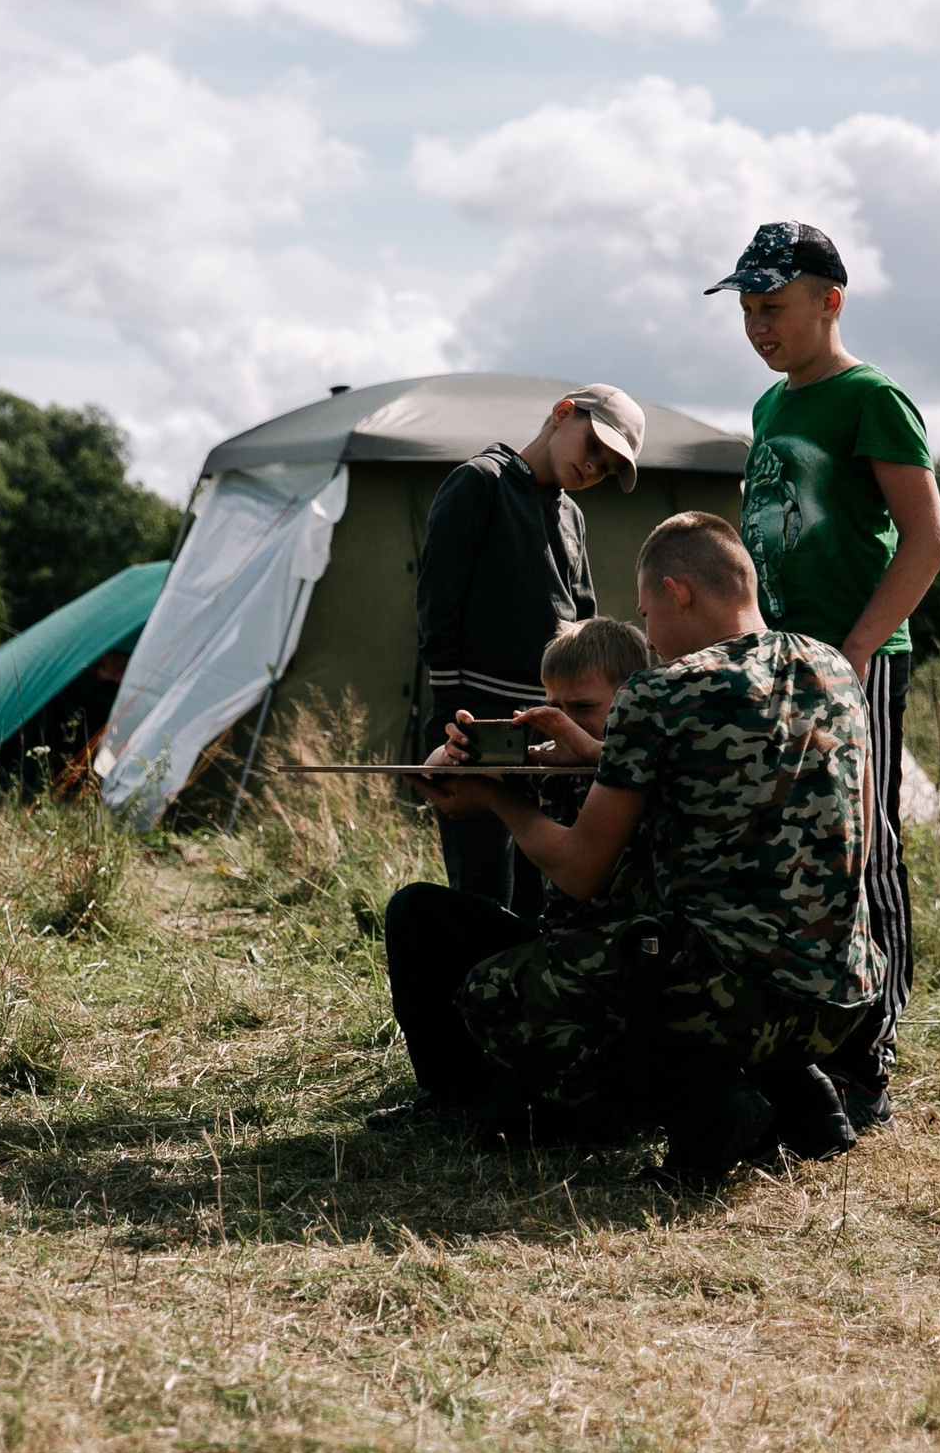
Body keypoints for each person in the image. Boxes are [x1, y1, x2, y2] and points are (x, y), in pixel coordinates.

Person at [418, 513, 879, 1180]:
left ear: (676, 592)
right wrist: (592, 755)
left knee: (496, 991)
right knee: (681, 944)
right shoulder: (833, 669)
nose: (651, 638)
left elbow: (579, 872)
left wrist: (497, 799)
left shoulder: (660, 691)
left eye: (645, 613)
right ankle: (798, 1094)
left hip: (736, 997)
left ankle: (703, 1105)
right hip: (844, 995)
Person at [707, 221, 940, 1132]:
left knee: (863, 846)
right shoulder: (769, 409)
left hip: (857, 663)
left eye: (772, 307)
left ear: (830, 301)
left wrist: (853, 654)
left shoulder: (872, 399)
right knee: (790, 849)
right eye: (746, 309)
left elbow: (928, 541)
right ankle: (799, 1039)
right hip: (782, 666)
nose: (757, 326)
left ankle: (869, 1057)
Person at [367, 616, 653, 1135]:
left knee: (511, 1126)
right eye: (553, 707)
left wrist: (497, 797)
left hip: (627, 971)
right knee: (418, 911)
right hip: (557, 946)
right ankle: (448, 1091)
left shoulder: (648, 763)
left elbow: (579, 873)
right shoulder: (547, 761)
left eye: (582, 708)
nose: (561, 722)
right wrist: (457, 751)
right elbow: (436, 777)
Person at [415, 386, 645, 910]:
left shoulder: (572, 517)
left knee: (541, 893)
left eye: (608, 468)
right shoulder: (480, 481)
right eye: (594, 447)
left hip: (550, 728)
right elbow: (437, 598)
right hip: (476, 718)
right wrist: (453, 710)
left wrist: (581, 726)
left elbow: (583, 628)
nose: (594, 467)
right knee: (484, 891)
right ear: (563, 413)